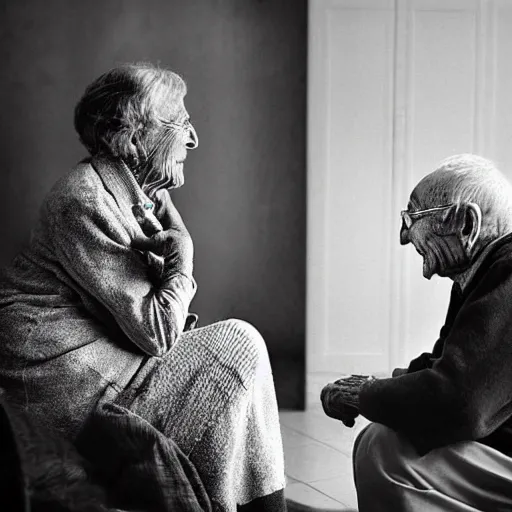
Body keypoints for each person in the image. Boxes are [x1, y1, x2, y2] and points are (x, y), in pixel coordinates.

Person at [0, 63, 286, 512]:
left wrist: (176, 260)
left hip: (101, 362)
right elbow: (157, 334)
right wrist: (183, 256)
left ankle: (252, 502)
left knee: (235, 358)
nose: (193, 139)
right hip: (63, 383)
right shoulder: (85, 199)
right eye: (181, 124)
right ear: (133, 138)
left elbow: (153, 324)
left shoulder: (131, 195)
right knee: (238, 344)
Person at [321, 154, 512, 511]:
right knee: (385, 441)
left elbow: (459, 403)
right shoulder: (481, 274)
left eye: (413, 218)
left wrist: (366, 395)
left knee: (384, 451)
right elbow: (446, 365)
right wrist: (375, 386)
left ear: (466, 224)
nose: (403, 236)